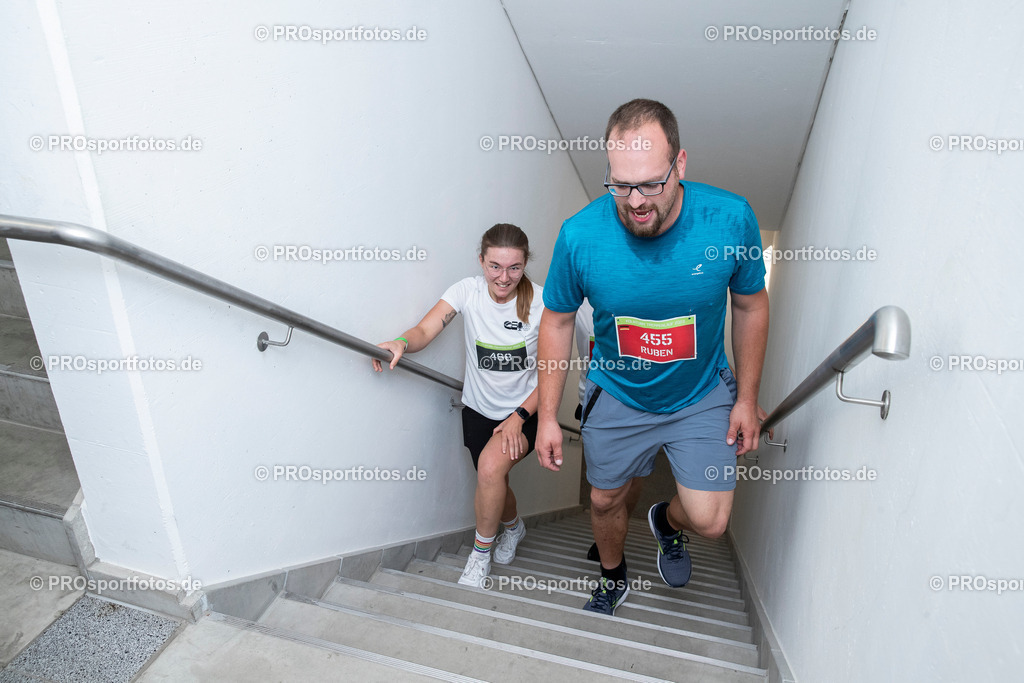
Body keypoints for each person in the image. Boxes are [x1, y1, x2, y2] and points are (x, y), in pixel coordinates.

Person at [536, 99, 770, 616]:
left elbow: (750, 303)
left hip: (700, 393)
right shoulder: (581, 236)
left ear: (680, 165)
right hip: (617, 393)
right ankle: (613, 575)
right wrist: (548, 415)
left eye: (650, 184)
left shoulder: (730, 219)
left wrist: (748, 398)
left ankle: (666, 522)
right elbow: (555, 319)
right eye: (620, 185)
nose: (635, 201)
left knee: (710, 520)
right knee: (603, 500)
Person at [373, 224, 544, 588]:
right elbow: (425, 330)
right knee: (492, 478)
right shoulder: (466, 291)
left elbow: (552, 375)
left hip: (524, 412)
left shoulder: (543, 303)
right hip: (478, 411)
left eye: (514, 267)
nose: (504, 277)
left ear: (525, 263)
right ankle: (513, 528)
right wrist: (402, 341)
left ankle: (479, 556)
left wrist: (519, 417)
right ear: (480, 261)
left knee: (488, 471)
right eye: (494, 266)